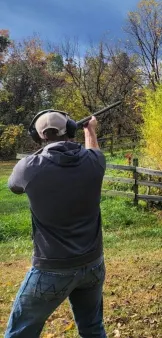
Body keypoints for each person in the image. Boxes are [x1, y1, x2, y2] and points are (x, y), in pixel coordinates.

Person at [5, 111, 107, 338]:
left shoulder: (29, 167)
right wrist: (90, 130)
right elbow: (93, 150)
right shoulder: (95, 162)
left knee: (19, 334)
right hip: (93, 264)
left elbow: (14, 186)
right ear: (71, 130)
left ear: (38, 137)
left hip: (52, 268)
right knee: (92, 328)